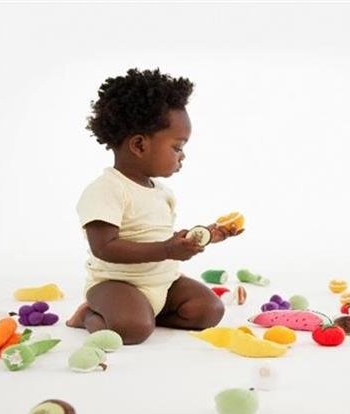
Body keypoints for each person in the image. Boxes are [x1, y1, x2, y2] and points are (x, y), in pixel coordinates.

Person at [66, 68, 243, 344]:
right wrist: (166, 250)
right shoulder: (106, 190)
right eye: (177, 147)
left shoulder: (162, 193)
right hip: (116, 284)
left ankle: (146, 314)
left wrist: (207, 235)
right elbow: (104, 247)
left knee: (210, 310)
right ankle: (90, 315)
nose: (182, 156)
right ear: (139, 145)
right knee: (131, 330)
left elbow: (162, 238)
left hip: (163, 281)